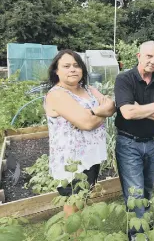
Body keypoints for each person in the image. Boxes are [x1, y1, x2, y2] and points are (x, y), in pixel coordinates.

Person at [45, 49, 116, 218]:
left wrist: (91, 112)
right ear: (56, 70)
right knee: (73, 205)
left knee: (83, 198)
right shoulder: (56, 94)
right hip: (72, 162)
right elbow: (87, 123)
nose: (72, 69)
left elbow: (112, 106)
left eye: (76, 65)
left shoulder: (89, 89)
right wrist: (100, 112)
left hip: (91, 156)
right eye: (66, 66)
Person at [114, 41, 154, 219]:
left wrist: (142, 109)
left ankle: (141, 222)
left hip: (153, 143)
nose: (153, 61)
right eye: (149, 56)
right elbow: (128, 112)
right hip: (129, 143)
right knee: (135, 191)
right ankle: (137, 234)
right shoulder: (124, 79)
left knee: (147, 187)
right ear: (139, 56)